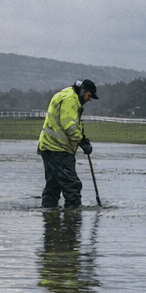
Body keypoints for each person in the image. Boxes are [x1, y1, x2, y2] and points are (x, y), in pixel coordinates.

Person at [38, 79, 98, 207]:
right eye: (89, 96)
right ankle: (73, 218)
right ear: (84, 92)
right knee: (72, 185)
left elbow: (70, 124)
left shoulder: (66, 94)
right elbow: (70, 126)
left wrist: (82, 138)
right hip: (59, 149)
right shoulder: (71, 99)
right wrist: (83, 142)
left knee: (53, 185)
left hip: (48, 147)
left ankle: (50, 217)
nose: (88, 100)